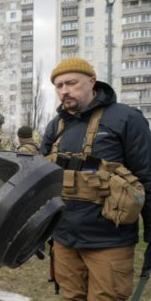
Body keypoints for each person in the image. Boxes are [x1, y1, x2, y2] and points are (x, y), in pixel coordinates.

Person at [41, 57, 151, 300]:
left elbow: (147, 178)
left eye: (71, 83)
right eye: (58, 86)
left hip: (110, 241)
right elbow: (41, 180)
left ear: (92, 82)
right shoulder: (55, 126)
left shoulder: (126, 119)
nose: (64, 91)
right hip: (64, 238)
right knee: (70, 297)